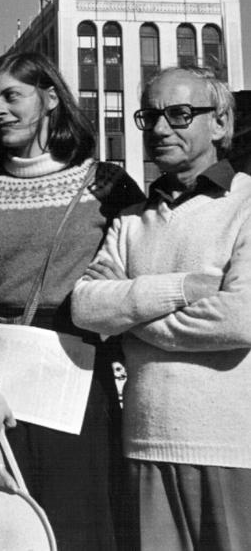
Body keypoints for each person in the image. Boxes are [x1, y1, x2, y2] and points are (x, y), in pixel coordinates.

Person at [0, 51, 144, 550]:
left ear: (51, 99)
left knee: (81, 520)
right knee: (8, 526)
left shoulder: (106, 186)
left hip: (80, 381)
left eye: (12, 96)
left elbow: (137, 270)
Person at [72, 66, 251, 550]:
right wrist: (183, 288)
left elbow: (239, 319)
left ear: (219, 123)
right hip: (144, 443)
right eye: (149, 116)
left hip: (232, 449)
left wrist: (130, 319)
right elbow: (87, 306)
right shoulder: (131, 219)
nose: (159, 128)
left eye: (179, 114)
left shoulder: (247, 204)